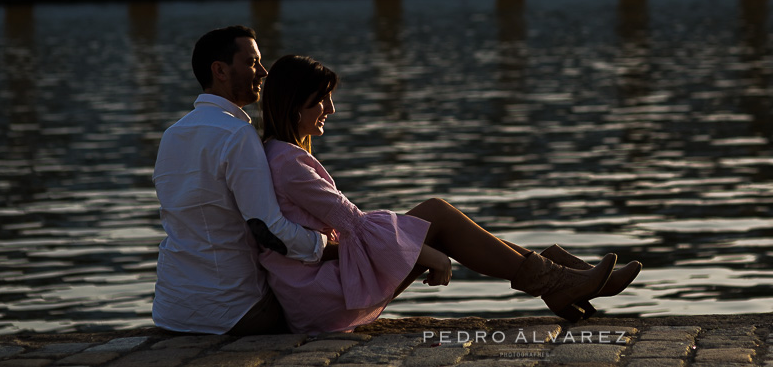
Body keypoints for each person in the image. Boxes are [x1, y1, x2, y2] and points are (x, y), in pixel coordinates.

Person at [257, 54, 643, 334]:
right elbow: (355, 224)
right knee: (436, 215)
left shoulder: (283, 155)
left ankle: (561, 278)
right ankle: (557, 280)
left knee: (435, 217)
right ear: (294, 104)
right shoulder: (289, 163)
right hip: (323, 299)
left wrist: (417, 245)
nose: (331, 108)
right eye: (321, 99)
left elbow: (351, 229)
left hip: (320, 291)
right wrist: (426, 252)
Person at [152, 26, 328, 335]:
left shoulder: (172, 134)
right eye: (251, 63)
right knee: (351, 283)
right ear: (219, 70)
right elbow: (268, 230)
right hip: (233, 311)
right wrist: (326, 244)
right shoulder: (237, 134)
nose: (263, 72)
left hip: (171, 311)